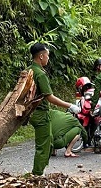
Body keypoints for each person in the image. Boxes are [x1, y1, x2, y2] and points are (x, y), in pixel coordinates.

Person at [27, 43, 72, 176]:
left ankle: (39, 171)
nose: (48, 58)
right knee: (44, 145)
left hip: (30, 112)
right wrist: (69, 105)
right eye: (47, 55)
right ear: (41, 56)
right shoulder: (40, 74)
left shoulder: (28, 70)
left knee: (48, 139)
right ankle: (37, 174)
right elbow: (49, 97)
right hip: (40, 113)